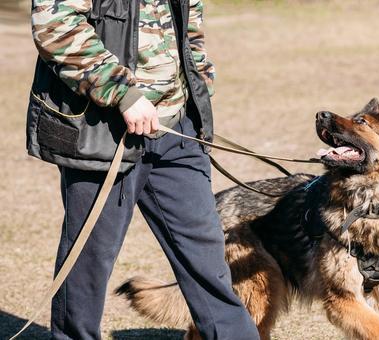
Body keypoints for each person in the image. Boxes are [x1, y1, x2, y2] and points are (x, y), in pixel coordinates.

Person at [27, 0, 260, 339]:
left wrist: (198, 83)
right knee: (89, 263)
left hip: (177, 132)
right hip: (105, 133)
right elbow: (55, 24)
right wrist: (123, 94)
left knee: (208, 262)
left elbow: (191, 27)